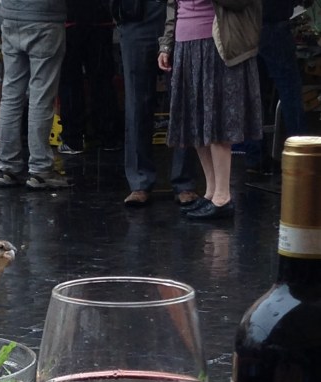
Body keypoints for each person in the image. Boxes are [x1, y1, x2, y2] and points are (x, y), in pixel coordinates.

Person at [159, 0, 263, 220]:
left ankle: (223, 197)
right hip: (186, 43)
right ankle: (211, 191)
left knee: (217, 119)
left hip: (218, 44)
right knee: (196, 121)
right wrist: (167, 44)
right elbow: (173, 6)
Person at [114, 0, 198, 207]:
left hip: (178, 15)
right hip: (136, 17)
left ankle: (184, 182)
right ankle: (140, 182)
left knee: (182, 101)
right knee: (136, 103)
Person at [0, 0, 70, 190]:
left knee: (11, 95)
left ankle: (8, 167)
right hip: (45, 17)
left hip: (11, 16)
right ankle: (40, 169)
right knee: (41, 97)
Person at [245, 0, 306, 172]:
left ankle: (254, 155)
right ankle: (301, 151)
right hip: (275, 22)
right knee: (289, 91)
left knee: (253, 91)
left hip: (249, 25)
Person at [57, 0, 123, 154]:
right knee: (103, 80)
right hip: (101, 20)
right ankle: (108, 137)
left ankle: (73, 139)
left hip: (70, 21)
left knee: (70, 81)